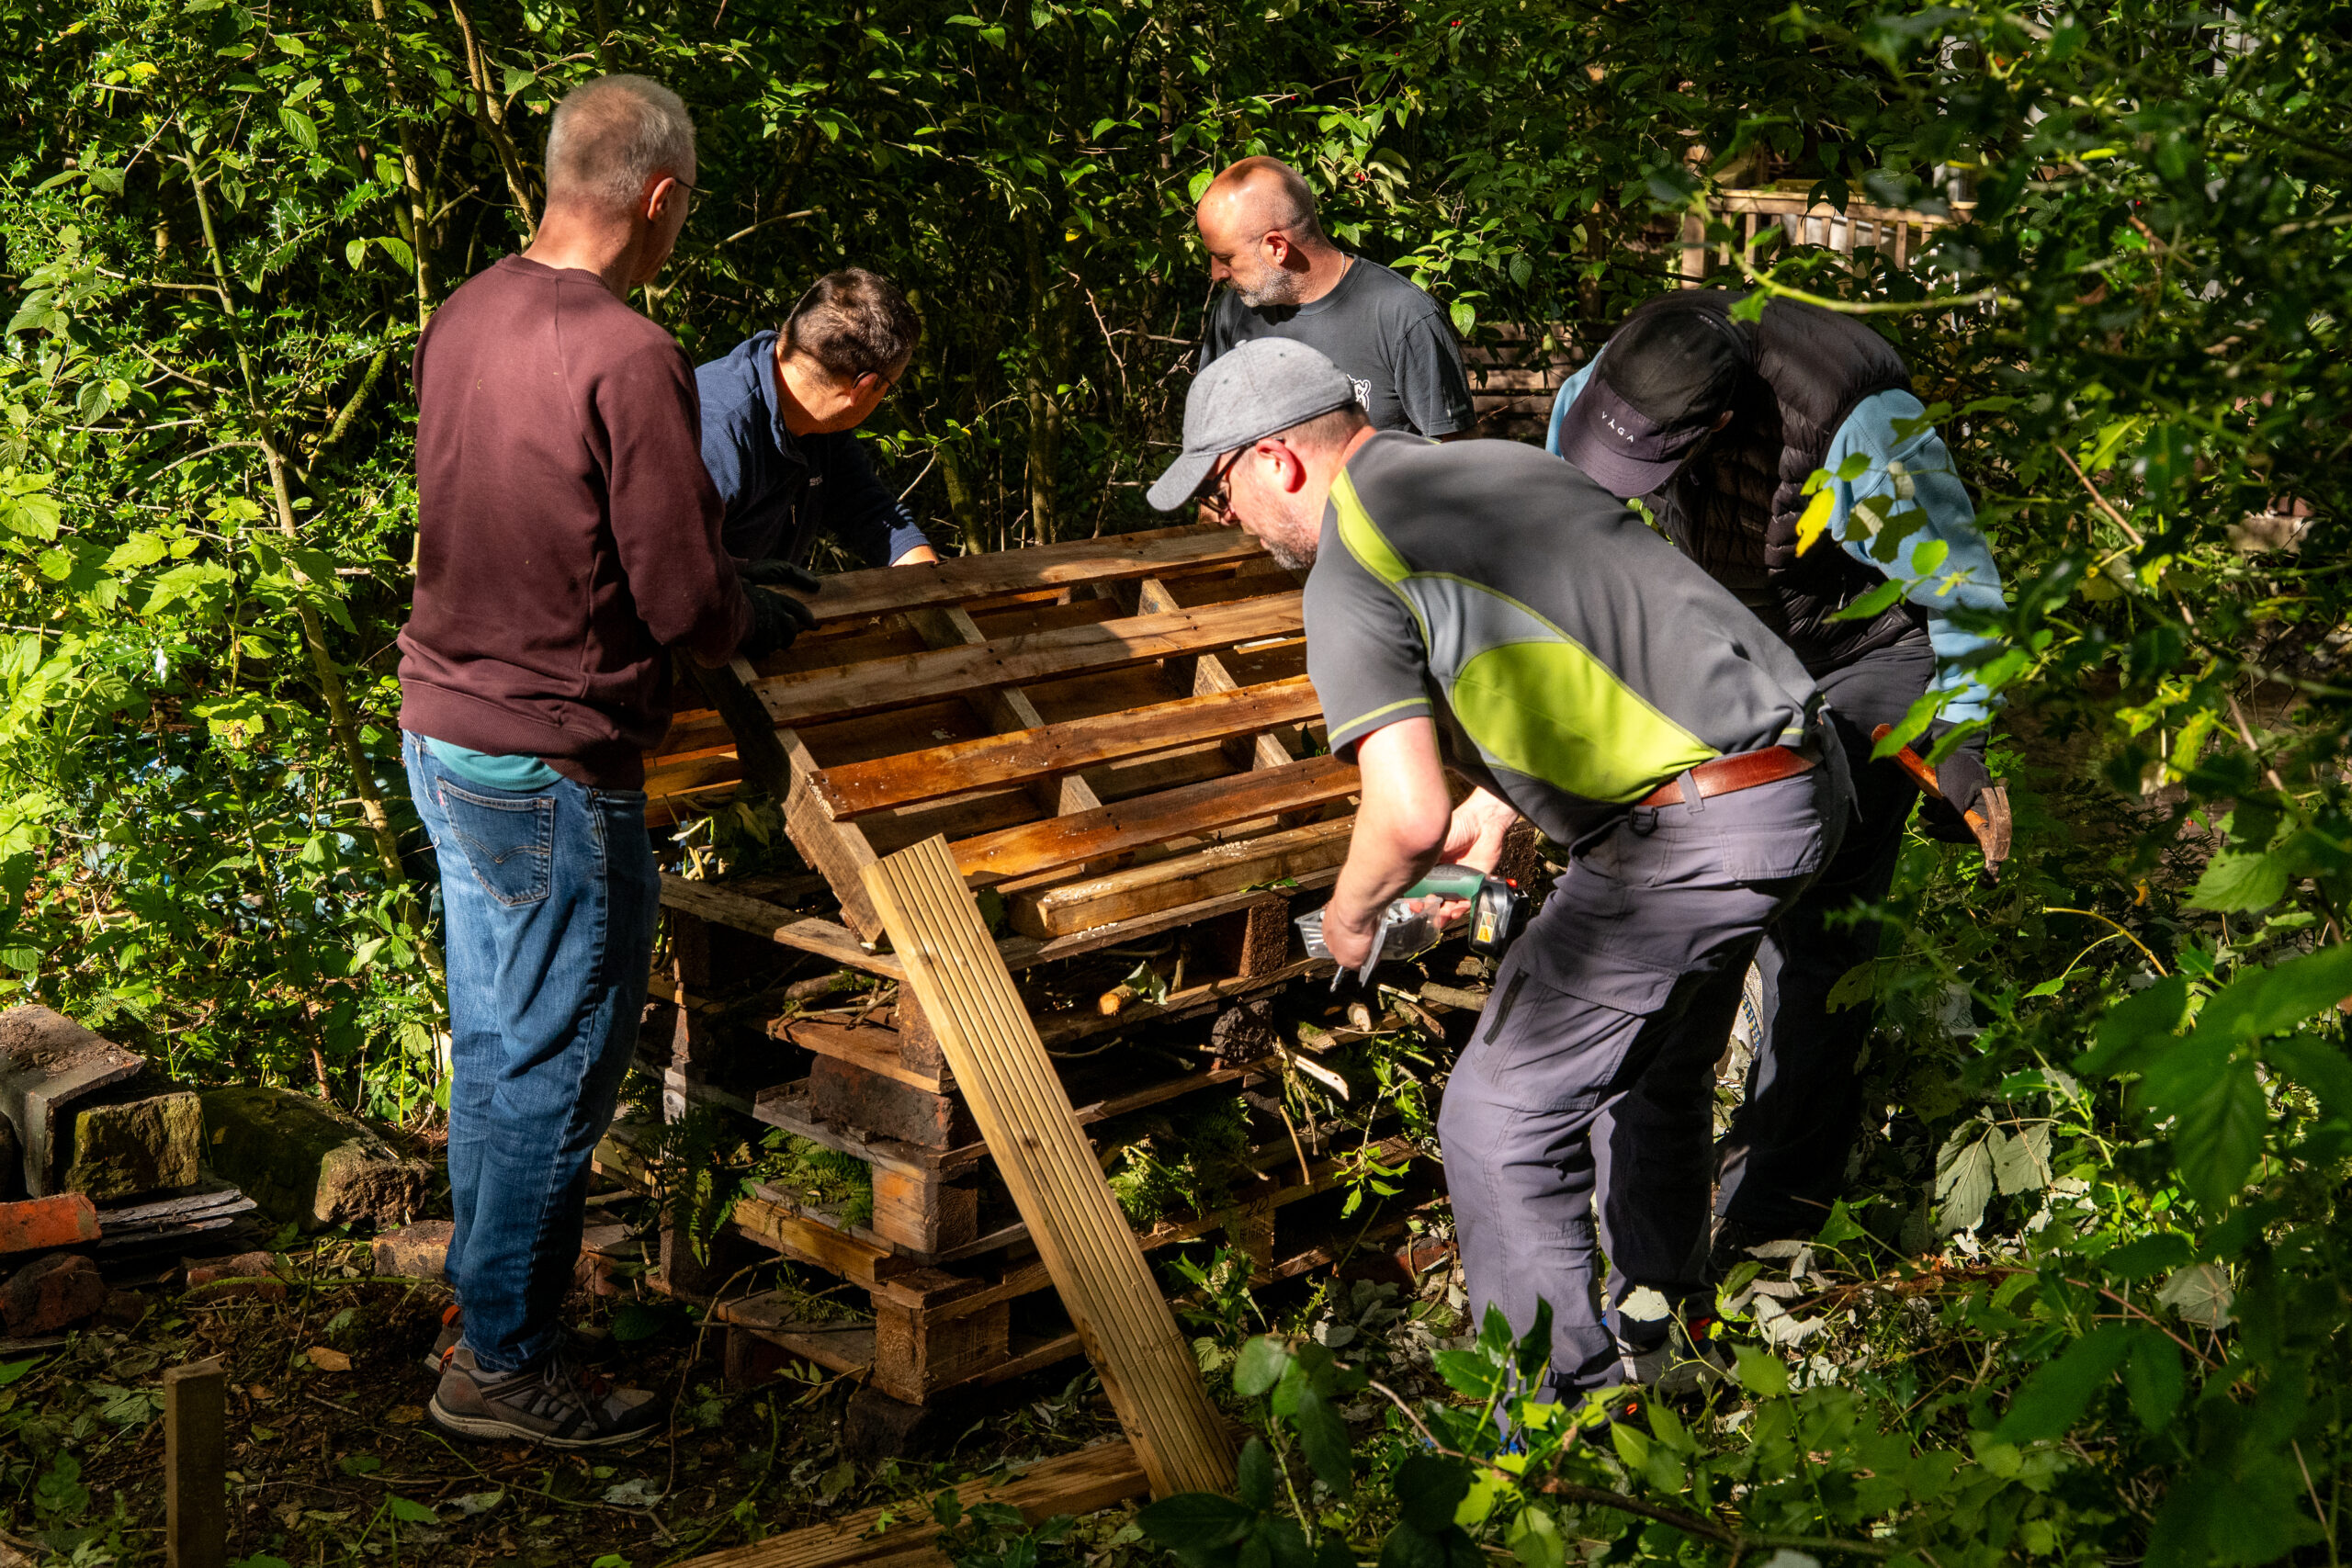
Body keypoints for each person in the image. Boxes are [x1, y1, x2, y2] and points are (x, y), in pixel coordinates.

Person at [1146, 338, 1850, 1403]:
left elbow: (1404, 809)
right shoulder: (1502, 468)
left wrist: (1346, 919)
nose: (1227, 518)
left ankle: (1555, 1432)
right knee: (1645, 1081)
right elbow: (1604, 642)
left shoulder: (1351, 563)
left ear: (1278, 460)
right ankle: (1666, 1338)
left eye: (1218, 489)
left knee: (1499, 1123)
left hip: (1692, 837)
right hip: (1798, 781)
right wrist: (1506, 798)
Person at [397, 74, 815, 1448]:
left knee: (493, 1042)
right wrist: (755, 605)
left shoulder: (466, 311)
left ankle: (484, 1310)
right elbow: (686, 600)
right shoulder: (629, 351)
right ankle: (506, 1365)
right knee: (555, 1061)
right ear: (661, 197)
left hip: (444, 729)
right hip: (553, 762)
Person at [1544, 289, 2010, 1264]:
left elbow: (1960, 584)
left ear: (1718, 424)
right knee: (1697, 929)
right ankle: (1661, 1225)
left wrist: (1957, 742)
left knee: (1816, 946)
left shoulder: (1856, 421)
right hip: (1729, 642)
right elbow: (1563, 540)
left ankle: (1773, 1220)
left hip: (1858, 654)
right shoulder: (1611, 388)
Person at [1195, 156, 1477, 439]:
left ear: (1277, 248)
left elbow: (1457, 460)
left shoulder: (1402, 316)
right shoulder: (1234, 314)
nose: (1216, 273)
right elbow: (1212, 440)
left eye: (1225, 258)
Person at [695, 268, 940, 576]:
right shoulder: (714, 435)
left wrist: (934, 585)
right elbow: (668, 571)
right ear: (863, 387)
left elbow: (872, 514)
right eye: (891, 388)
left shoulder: (820, 426)